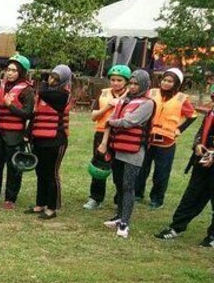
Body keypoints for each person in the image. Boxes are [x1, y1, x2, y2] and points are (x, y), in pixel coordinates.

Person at [155, 87, 214, 247]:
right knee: (192, 194)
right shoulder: (211, 113)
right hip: (203, 160)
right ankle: (176, 227)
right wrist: (197, 145)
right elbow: (202, 132)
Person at [98, 70, 155, 239]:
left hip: (133, 151)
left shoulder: (148, 103)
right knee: (118, 184)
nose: (132, 86)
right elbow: (117, 117)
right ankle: (119, 216)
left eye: (136, 84)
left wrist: (112, 122)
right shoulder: (124, 100)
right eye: (131, 83)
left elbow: (131, 121)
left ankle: (125, 223)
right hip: (117, 148)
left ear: (144, 85)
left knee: (128, 186)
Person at [135, 68, 197, 209]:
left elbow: (192, 116)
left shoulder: (182, 98)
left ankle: (157, 199)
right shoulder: (152, 93)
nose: (166, 83)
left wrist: (179, 129)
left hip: (166, 142)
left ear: (177, 84)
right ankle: (137, 193)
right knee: (141, 168)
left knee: (161, 172)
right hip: (147, 138)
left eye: (170, 81)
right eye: (164, 80)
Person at [0, 55, 34, 209]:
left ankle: (10, 199)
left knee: (13, 168)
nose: (10, 73)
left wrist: (10, 105)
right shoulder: (1, 86)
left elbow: (27, 113)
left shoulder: (27, 90)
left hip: (14, 135)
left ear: (21, 72)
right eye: (8, 70)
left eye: (14, 70)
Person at [27, 65, 72, 219]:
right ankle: (40, 204)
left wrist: (43, 83)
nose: (52, 80)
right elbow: (35, 116)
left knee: (51, 173)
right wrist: (29, 135)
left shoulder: (62, 95)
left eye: (56, 78)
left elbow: (43, 91)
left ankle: (52, 208)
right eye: (51, 76)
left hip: (55, 140)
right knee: (40, 172)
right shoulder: (43, 94)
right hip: (39, 138)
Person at [83, 65, 130, 210]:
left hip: (121, 134)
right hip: (101, 133)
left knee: (120, 168)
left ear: (126, 81)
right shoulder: (103, 94)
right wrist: (108, 106)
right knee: (99, 166)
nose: (115, 83)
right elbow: (93, 116)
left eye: (119, 80)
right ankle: (96, 198)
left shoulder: (131, 96)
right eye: (113, 80)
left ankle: (119, 199)